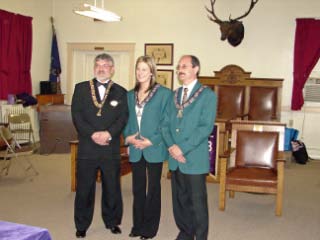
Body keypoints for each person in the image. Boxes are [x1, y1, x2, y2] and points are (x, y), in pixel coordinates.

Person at [71, 53, 128, 238]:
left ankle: (112, 222)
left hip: (110, 148)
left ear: (112, 69)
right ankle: (81, 225)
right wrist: (93, 134)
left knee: (112, 187)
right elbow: (77, 116)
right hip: (87, 147)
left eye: (105, 65)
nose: (101, 68)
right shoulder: (80, 88)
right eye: (98, 64)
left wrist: (109, 134)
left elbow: (123, 118)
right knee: (84, 189)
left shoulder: (121, 91)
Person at [162, 55, 217, 240]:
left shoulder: (207, 95)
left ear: (196, 69)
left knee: (197, 203)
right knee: (180, 201)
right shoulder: (174, 94)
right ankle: (185, 233)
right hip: (175, 159)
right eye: (178, 66)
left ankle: (200, 236)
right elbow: (165, 124)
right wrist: (171, 147)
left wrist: (181, 148)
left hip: (193, 158)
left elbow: (205, 127)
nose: (180, 69)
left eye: (184, 66)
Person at [123, 55, 171, 240]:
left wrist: (152, 140)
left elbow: (166, 123)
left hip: (154, 148)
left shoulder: (164, 94)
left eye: (144, 69)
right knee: (137, 188)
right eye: (138, 69)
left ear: (151, 72)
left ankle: (150, 229)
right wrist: (128, 137)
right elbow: (126, 120)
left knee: (153, 189)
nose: (140, 73)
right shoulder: (129, 95)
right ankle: (138, 225)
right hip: (135, 148)